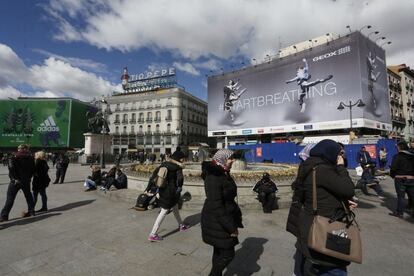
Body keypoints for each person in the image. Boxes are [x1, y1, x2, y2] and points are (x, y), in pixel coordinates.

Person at [292, 139, 356, 275]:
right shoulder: (323, 170)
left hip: (308, 226)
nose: (341, 157)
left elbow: (319, 195)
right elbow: (349, 189)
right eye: (339, 153)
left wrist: (342, 203)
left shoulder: (308, 166)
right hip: (326, 229)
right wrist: (341, 167)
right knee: (333, 268)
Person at [201, 149, 243, 276]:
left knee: (219, 250)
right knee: (228, 254)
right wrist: (231, 227)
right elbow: (216, 205)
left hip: (221, 219)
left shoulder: (222, 172)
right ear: (223, 159)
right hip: (217, 221)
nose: (233, 160)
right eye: (230, 158)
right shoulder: (214, 176)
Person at [148, 150, 189, 242]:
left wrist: (155, 187)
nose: (183, 160)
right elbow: (180, 179)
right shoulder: (177, 167)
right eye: (182, 158)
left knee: (175, 207)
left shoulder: (164, 164)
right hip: (171, 191)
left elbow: (154, 175)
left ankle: (181, 225)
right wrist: (179, 187)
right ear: (179, 158)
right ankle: (153, 234)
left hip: (163, 189)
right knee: (164, 211)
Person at [0, 144, 36, 222]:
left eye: (19, 148)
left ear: (20, 149)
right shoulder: (31, 158)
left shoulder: (13, 157)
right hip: (26, 181)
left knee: (10, 199)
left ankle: (4, 216)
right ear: (26, 149)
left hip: (15, 182)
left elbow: (11, 169)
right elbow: (33, 170)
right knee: (28, 196)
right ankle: (32, 211)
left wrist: (15, 178)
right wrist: (28, 178)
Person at [389, 141, 414, 218]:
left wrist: (392, 175)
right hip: (412, 179)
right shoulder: (412, 156)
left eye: (397, 147)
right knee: (412, 195)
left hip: (400, 179)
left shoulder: (397, 156)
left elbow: (393, 168)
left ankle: (400, 212)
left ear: (399, 147)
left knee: (401, 196)